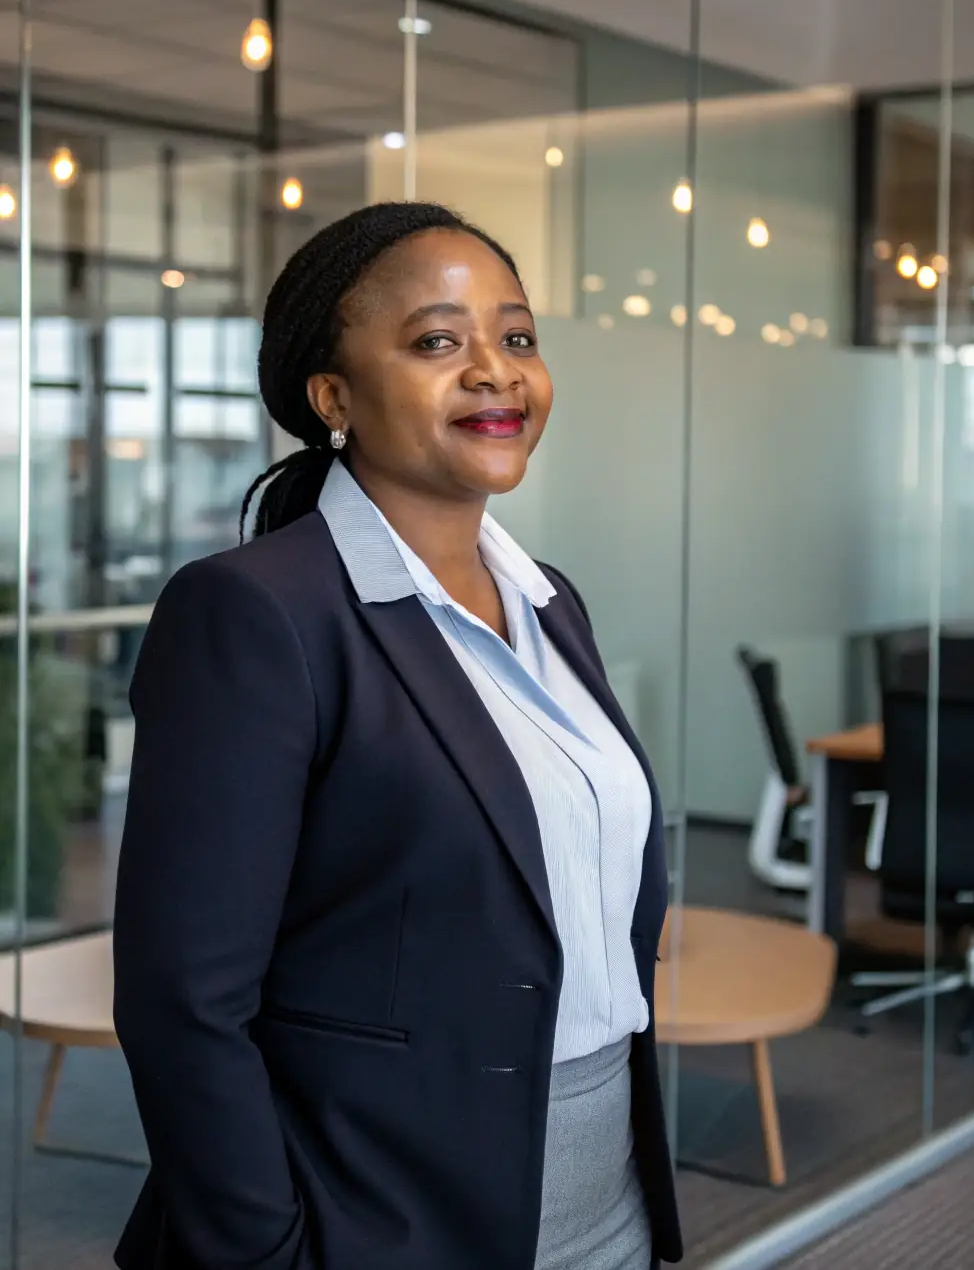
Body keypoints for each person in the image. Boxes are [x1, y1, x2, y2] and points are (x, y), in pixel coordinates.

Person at [112, 201, 684, 1270]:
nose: (495, 372)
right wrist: (266, 1254)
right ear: (332, 397)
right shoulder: (255, 614)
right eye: (436, 341)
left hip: (604, 1200)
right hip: (375, 1215)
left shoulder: (550, 601)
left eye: (515, 338)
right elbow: (183, 1001)